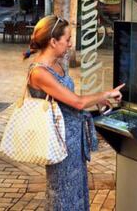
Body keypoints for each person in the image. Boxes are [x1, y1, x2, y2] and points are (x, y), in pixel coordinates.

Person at [23, 15, 124, 211]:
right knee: (62, 192)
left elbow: (68, 99)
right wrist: (105, 93)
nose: (70, 45)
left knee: (76, 189)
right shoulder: (39, 72)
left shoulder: (58, 65)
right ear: (53, 41)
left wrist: (97, 99)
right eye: (67, 39)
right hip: (58, 141)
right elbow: (76, 102)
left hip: (72, 139)